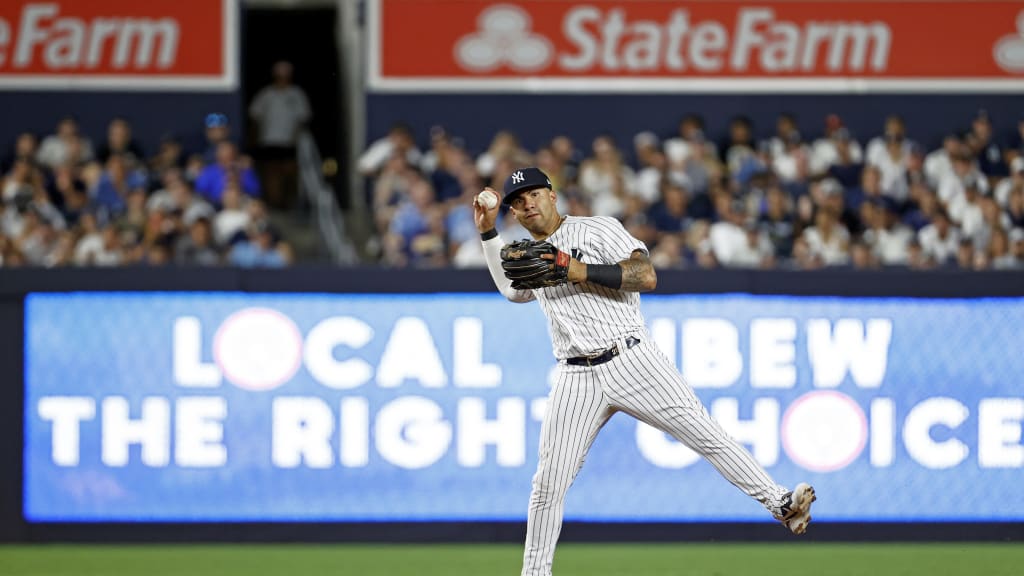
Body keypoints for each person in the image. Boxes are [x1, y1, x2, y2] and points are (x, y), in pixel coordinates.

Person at [473, 167, 817, 576]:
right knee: (548, 482)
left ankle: (781, 504)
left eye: (533, 193)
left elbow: (645, 275)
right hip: (575, 374)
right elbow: (514, 291)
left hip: (633, 358)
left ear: (552, 195)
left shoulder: (596, 230)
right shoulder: (528, 254)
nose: (526, 203)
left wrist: (576, 269)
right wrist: (488, 234)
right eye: (517, 200)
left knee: (707, 436)